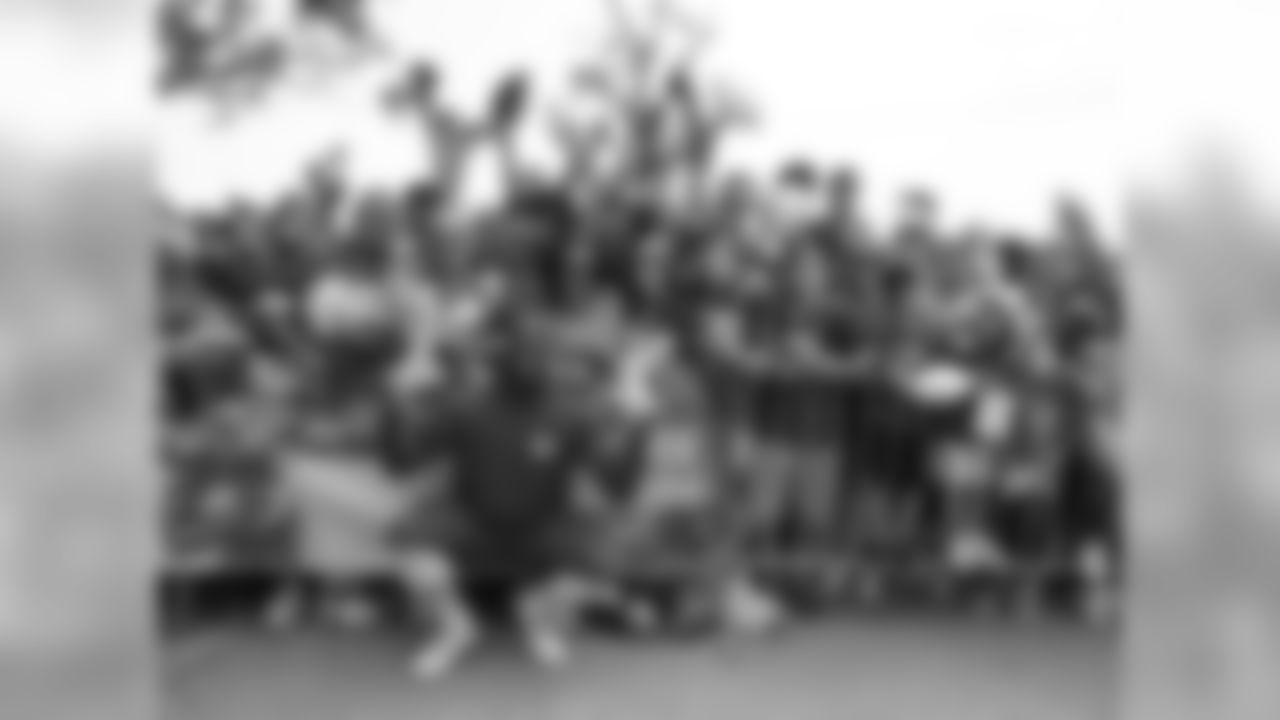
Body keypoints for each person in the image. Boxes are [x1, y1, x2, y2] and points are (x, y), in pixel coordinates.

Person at [385, 344, 602, 679]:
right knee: (412, 550)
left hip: (544, 521)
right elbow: (404, 459)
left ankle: (538, 621)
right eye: (520, 359)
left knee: (592, 564)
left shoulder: (571, 414)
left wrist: (638, 416)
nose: (529, 367)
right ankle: (457, 630)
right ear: (497, 367)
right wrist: (397, 402)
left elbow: (613, 478)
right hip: (471, 517)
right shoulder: (465, 408)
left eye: (538, 360)